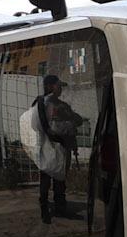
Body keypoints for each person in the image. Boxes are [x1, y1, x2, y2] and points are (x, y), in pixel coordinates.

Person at [21, 71, 84, 220]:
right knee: (47, 179)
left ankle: (58, 208)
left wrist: (68, 123)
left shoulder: (59, 105)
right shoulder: (42, 103)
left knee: (59, 180)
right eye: (58, 86)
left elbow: (78, 120)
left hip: (59, 147)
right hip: (48, 147)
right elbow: (36, 124)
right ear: (50, 86)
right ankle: (46, 209)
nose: (60, 89)